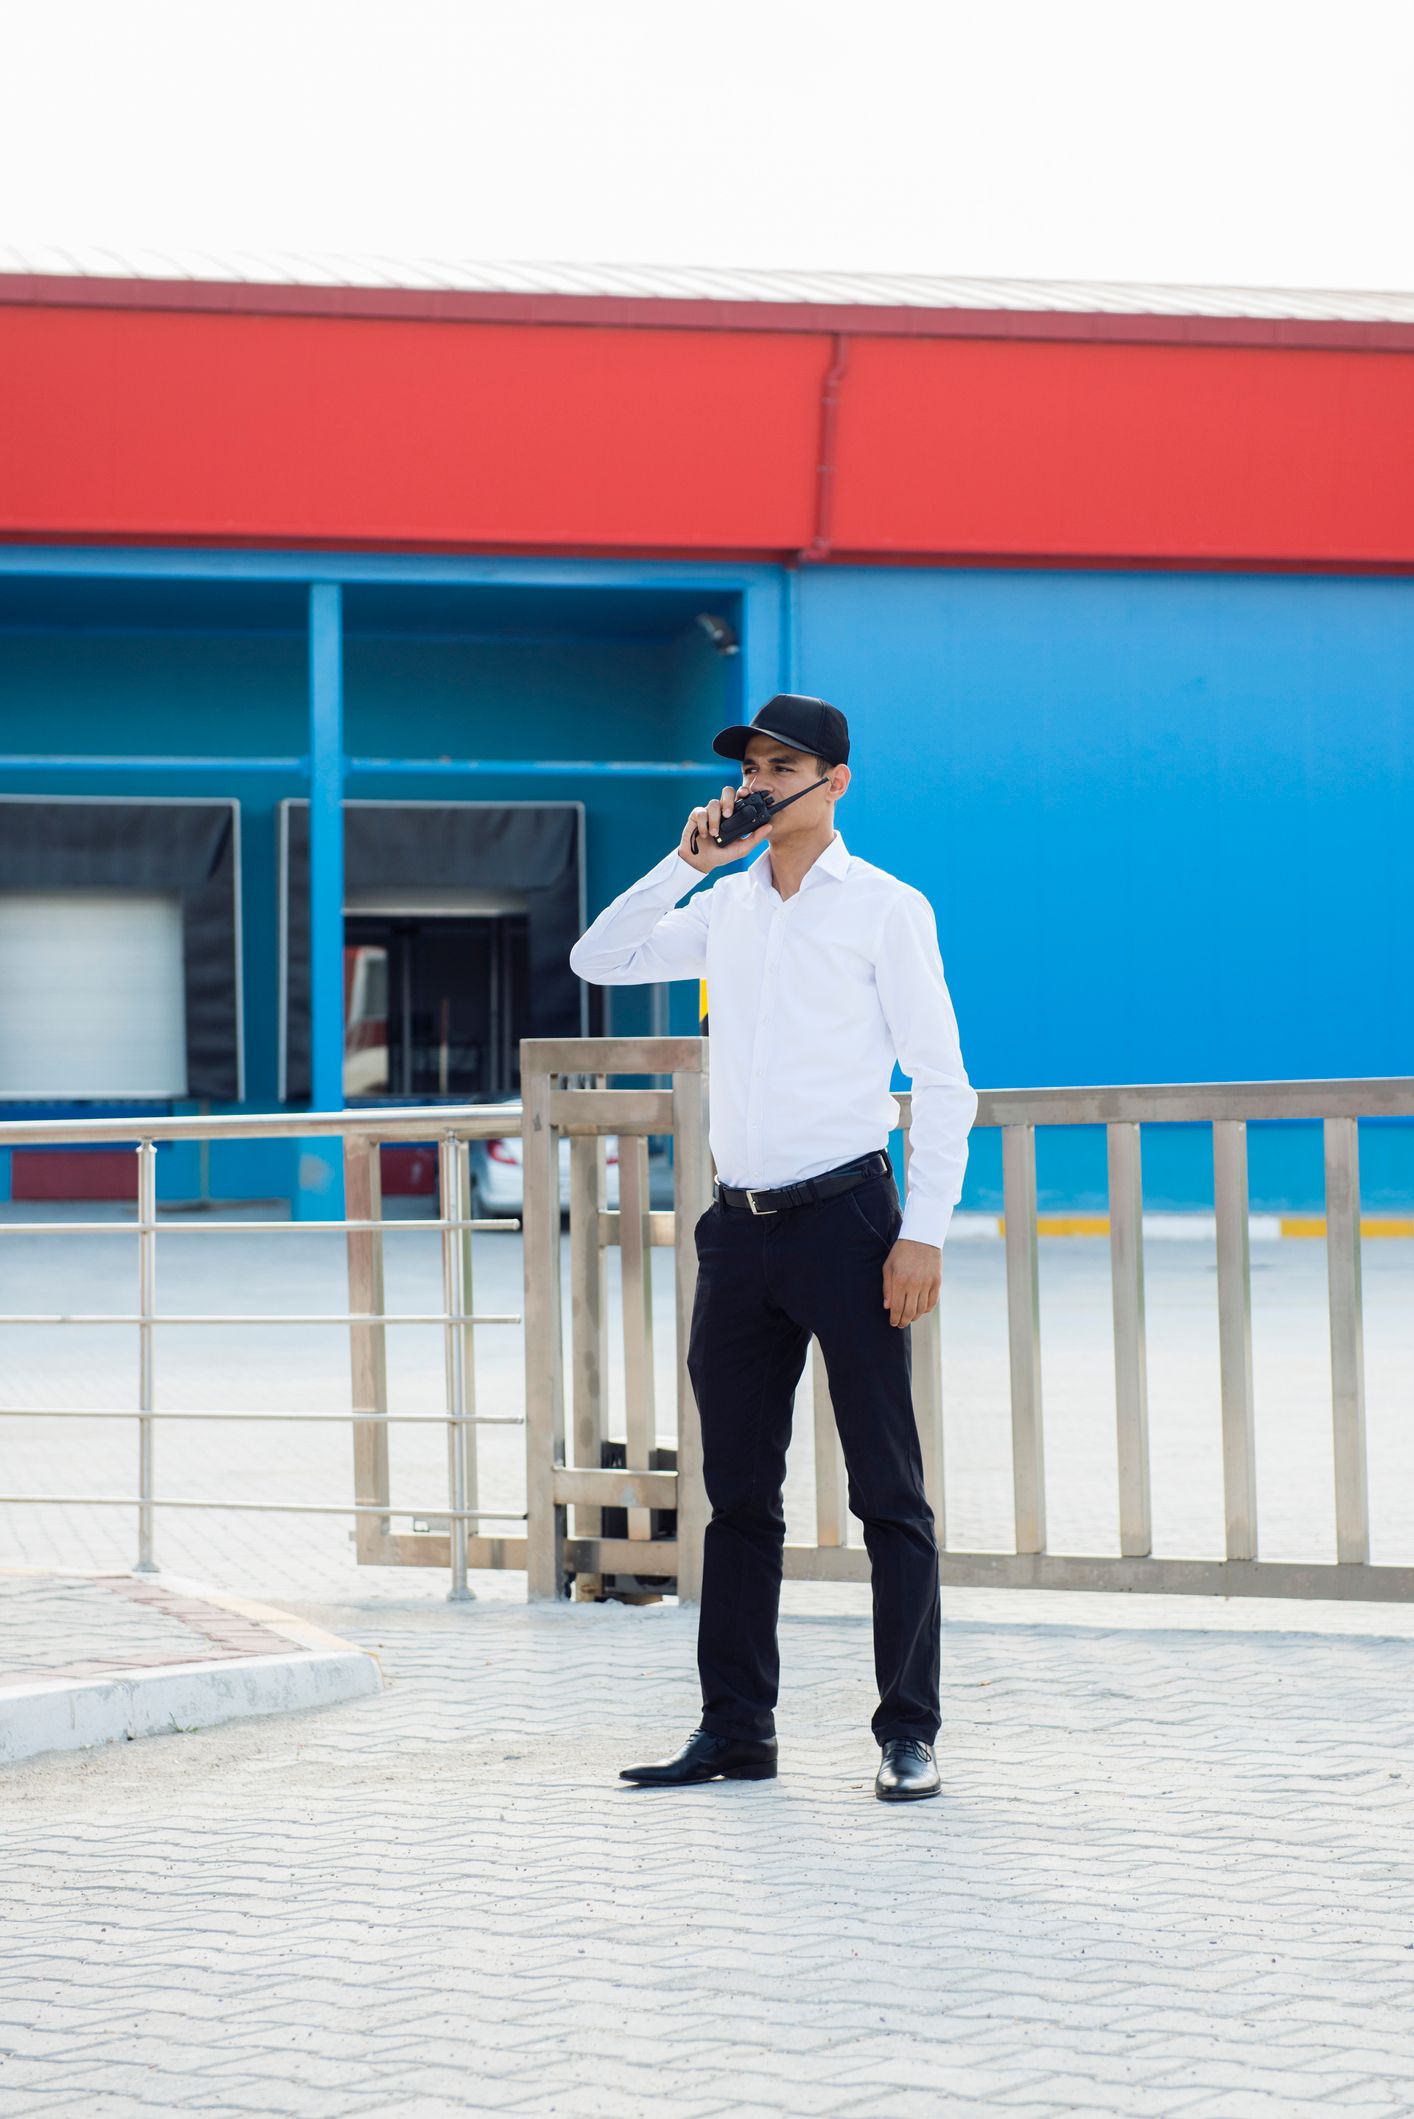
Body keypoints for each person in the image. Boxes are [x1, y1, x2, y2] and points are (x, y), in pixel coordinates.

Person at [568, 694, 977, 1802]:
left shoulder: (887, 908)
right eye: (750, 766)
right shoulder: (725, 907)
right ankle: (736, 1730)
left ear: (835, 782)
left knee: (888, 1491)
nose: (758, 783)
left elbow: (943, 1081)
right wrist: (685, 862)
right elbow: (599, 956)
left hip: (851, 1224)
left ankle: (909, 1732)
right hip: (737, 1232)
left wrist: (923, 1233)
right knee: (739, 1496)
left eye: (781, 767)